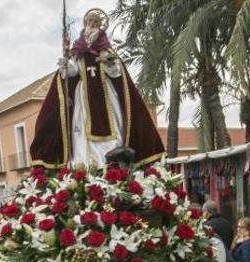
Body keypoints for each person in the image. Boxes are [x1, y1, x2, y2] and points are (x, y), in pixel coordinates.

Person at [29, 7, 164, 167]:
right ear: (85, 24)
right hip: (84, 99)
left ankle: (113, 168)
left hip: (106, 97)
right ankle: (85, 167)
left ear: (101, 26)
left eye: (96, 22)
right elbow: (73, 72)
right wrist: (66, 62)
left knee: (114, 132)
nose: (92, 24)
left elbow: (116, 74)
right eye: (89, 21)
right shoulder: (77, 50)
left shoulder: (106, 49)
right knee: (81, 135)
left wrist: (108, 63)